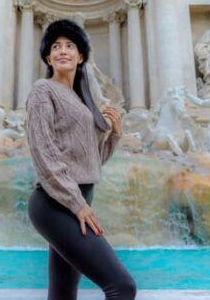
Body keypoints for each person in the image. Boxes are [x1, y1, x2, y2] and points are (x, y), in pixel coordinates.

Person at [26, 19, 137, 300]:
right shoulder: (43, 90)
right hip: (55, 205)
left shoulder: (80, 99)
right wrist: (78, 205)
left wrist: (114, 136)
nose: (62, 50)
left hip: (75, 202)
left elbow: (90, 162)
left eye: (70, 45)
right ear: (48, 57)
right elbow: (43, 152)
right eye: (55, 46)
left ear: (81, 56)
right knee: (122, 288)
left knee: (62, 296)